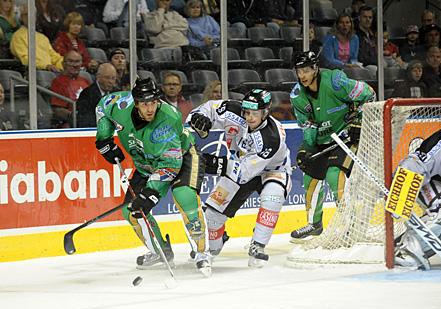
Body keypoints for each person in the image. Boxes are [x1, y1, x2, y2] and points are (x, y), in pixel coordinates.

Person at [95, 77, 211, 276]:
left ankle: (202, 253)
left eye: (153, 103)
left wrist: (151, 192)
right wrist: (104, 139)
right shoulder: (120, 106)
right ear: (136, 102)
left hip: (182, 157)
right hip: (146, 164)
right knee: (132, 211)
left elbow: (169, 165)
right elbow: (102, 108)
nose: (150, 109)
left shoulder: (167, 118)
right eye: (145, 104)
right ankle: (160, 251)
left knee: (184, 196)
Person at [188, 89, 292, 267]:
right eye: (247, 112)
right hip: (239, 165)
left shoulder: (271, 137)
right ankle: (214, 245)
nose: (249, 118)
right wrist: (200, 118)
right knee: (212, 215)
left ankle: (258, 245)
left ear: (265, 112)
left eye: (255, 114)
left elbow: (244, 174)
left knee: (272, 198)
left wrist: (214, 163)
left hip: (273, 170)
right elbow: (208, 108)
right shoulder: (232, 110)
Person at [289, 51, 375, 240]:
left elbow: (369, 94)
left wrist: (358, 122)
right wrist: (307, 149)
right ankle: (314, 224)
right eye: (298, 71)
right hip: (323, 140)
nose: (302, 75)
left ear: (315, 68)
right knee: (309, 178)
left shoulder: (336, 82)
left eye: (305, 70)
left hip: (347, 138)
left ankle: (349, 224)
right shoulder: (297, 96)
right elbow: (308, 126)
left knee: (334, 175)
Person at [394, 97, 441, 270]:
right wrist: (400, 193)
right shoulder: (438, 142)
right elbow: (413, 165)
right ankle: (408, 250)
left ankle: (405, 244)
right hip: (429, 181)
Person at [10, 5, 63, 71]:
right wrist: (45, 66)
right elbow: (25, 59)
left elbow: (54, 57)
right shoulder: (17, 36)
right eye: (26, 14)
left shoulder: (42, 37)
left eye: (32, 14)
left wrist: (64, 64)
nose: (29, 16)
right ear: (21, 17)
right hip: (33, 73)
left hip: (49, 72)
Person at [50, 50, 91, 128]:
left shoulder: (85, 80)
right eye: (71, 61)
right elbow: (57, 110)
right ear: (63, 64)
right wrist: (76, 117)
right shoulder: (58, 82)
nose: (75, 65)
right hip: (72, 124)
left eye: (77, 61)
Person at [76, 63, 117, 127]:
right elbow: (85, 120)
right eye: (107, 78)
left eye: (113, 78)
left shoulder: (116, 92)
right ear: (98, 77)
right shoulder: (87, 94)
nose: (111, 81)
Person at [356, 6, 377, 72]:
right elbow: (360, 57)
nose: (368, 20)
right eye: (365, 17)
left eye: (370, 17)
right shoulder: (355, 35)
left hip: (374, 64)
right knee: (376, 70)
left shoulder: (372, 35)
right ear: (359, 18)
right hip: (362, 66)